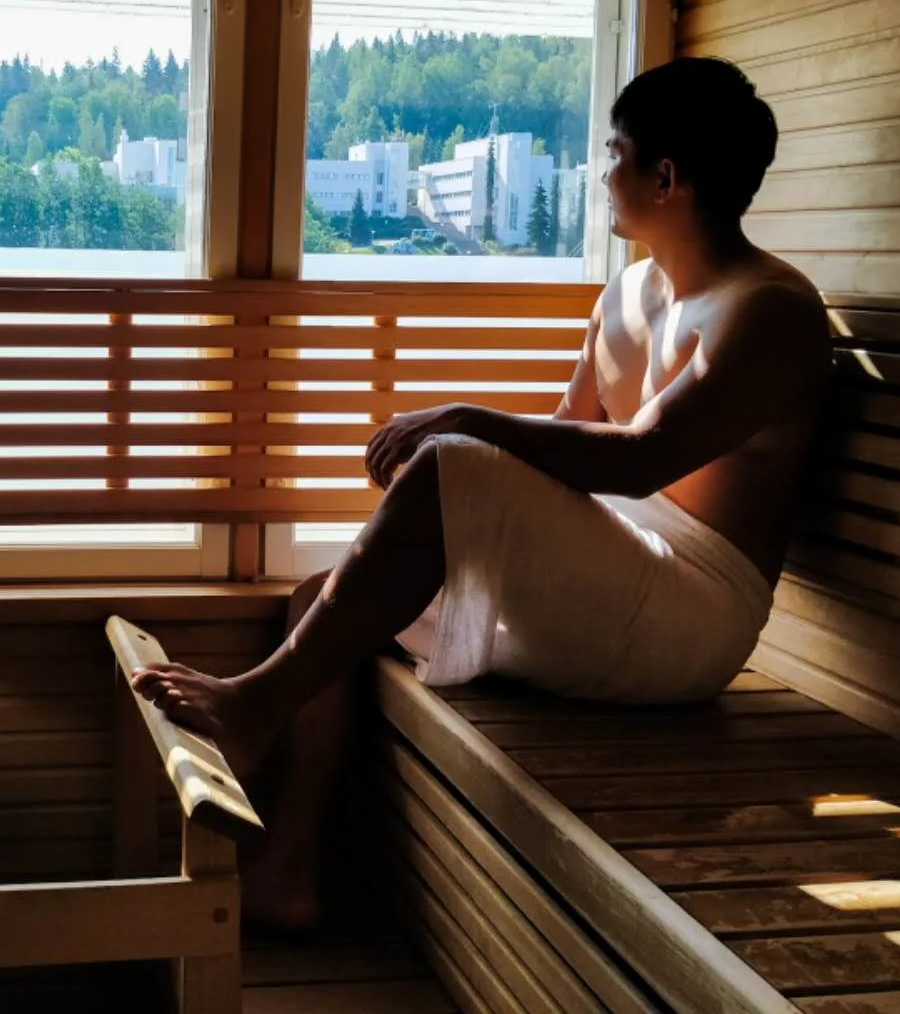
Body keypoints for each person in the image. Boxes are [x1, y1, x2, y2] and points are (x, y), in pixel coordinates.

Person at [131, 57, 833, 932]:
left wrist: (458, 431)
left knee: (453, 461)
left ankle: (257, 703)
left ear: (665, 176)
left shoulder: (770, 310)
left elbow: (640, 459)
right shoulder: (625, 294)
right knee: (321, 598)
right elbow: (565, 445)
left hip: (693, 616)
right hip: (612, 578)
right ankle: (287, 872)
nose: (598, 174)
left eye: (613, 153)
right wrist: (444, 493)